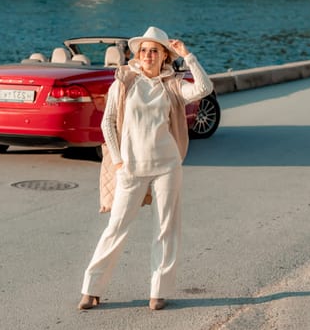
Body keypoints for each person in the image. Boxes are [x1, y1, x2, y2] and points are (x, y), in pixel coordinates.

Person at [78, 26, 213, 311]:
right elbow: (108, 123)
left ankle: (158, 291)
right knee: (115, 227)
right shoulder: (125, 82)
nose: (148, 55)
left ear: (164, 55)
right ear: (137, 54)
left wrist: (188, 56)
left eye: (154, 50)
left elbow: (203, 89)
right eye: (144, 50)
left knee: (166, 229)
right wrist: (118, 162)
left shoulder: (172, 84)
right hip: (131, 168)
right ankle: (92, 289)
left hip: (167, 166)